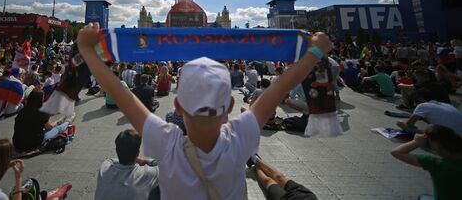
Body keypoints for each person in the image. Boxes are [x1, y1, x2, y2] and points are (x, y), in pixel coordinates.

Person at [76, 23, 332, 199]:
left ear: (177, 105)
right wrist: (316, 51)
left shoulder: (166, 143)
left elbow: (121, 94)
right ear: (230, 107)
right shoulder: (239, 137)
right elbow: (280, 86)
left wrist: (87, 49)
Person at [391, 125, 462, 200]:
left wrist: (416, 142)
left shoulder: (436, 163)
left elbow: (396, 152)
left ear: (436, 145)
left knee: (422, 197)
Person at [94, 129, 159, 200]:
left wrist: (132, 157)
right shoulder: (148, 174)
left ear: (116, 150)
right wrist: (145, 161)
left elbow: (112, 160)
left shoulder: (105, 166)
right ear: (137, 153)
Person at [249, 154, 317, 200]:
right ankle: (256, 159)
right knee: (279, 176)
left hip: (285, 198)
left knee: (268, 181)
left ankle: (256, 166)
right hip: (306, 197)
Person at [397, 100, 462, 135]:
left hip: (450, 139)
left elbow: (409, 124)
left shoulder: (423, 105)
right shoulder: (446, 105)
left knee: (400, 123)